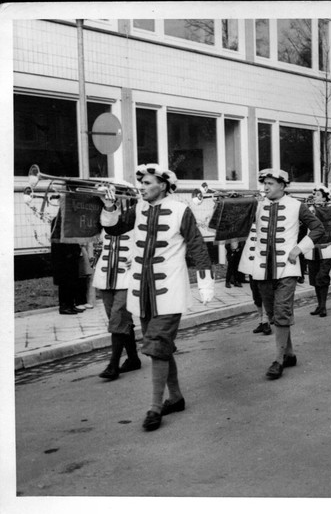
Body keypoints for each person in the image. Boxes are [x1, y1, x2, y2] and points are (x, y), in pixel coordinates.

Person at [100, 163, 215, 432]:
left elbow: (197, 245)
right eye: (141, 183)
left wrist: (205, 283)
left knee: (157, 344)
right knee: (160, 347)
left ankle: (155, 407)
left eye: (148, 183)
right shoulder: (137, 208)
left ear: (162, 185)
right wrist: (108, 206)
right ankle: (175, 398)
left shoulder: (179, 209)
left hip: (170, 290)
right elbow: (115, 229)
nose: (141, 187)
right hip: (141, 290)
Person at [239, 168, 324, 380]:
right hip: (261, 269)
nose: (265, 187)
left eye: (270, 183)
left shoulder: (297, 206)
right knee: (273, 314)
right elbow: (235, 224)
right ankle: (289, 353)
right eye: (264, 183)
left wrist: (299, 248)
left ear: (282, 185)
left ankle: (278, 361)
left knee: (282, 310)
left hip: (287, 267)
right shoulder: (257, 205)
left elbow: (318, 228)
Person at [94, 201, 141, 381]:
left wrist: (138, 258)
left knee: (117, 317)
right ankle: (133, 358)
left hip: (127, 276)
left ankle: (113, 365)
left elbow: (148, 242)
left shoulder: (137, 218)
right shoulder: (104, 218)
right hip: (105, 276)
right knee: (119, 319)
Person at [305, 185, 331, 318]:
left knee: (322, 277)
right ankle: (319, 305)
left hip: (327, 249)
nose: (315, 197)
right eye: (314, 195)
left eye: (318, 195)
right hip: (312, 249)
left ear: (325, 197)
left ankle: (324, 306)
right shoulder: (310, 210)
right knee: (315, 278)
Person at [50, 211, 83, 315]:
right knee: (65, 283)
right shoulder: (58, 221)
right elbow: (59, 240)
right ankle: (64, 306)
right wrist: (69, 253)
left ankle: (71, 305)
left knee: (72, 282)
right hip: (63, 258)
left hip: (71, 257)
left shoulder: (68, 220)